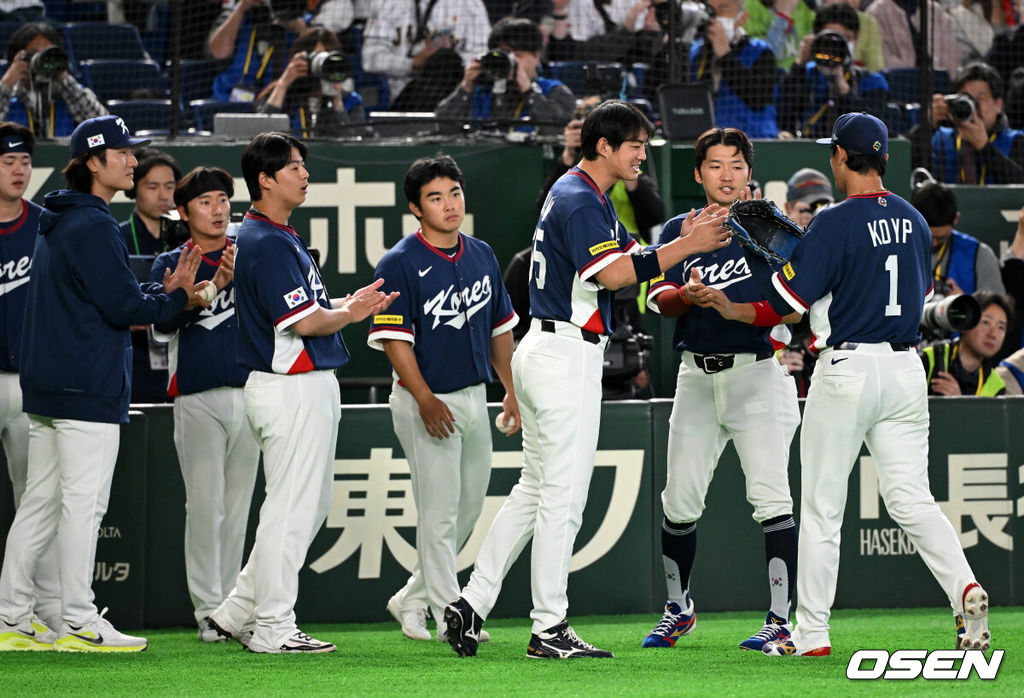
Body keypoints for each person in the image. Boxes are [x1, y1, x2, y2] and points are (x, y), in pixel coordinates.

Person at [443, 99, 732, 660]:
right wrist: (689, 245)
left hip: (550, 347)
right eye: (635, 145)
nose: (643, 154)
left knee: (535, 490)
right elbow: (619, 273)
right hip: (562, 353)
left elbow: (633, 253)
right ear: (604, 145)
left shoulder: (582, 192)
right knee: (563, 500)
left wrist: (678, 243)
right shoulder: (580, 198)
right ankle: (548, 627)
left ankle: (471, 603)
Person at [700, 112, 991, 656]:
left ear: (839, 156)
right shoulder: (916, 221)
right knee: (912, 498)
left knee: (822, 508)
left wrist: (730, 303)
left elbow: (781, 309)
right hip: (906, 370)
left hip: (848, 369)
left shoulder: (832, 222)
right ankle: (965, 588)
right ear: (881, 159)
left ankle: (811, 634)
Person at [0, 115, 209, 652]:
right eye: (121, 153)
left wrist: (163, 295)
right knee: (82, 505)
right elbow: (124, 308)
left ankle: (11, 615)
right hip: (83, 387)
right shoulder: (92, 224)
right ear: (93, 163)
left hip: (50, 387)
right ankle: (76, 617)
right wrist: (183, 299)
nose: (133, 161)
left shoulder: (64, 219)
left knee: (42, 503)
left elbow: (106, 297)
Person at [205, 132, 397, 654]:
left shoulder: (274, 235)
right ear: (265, 179)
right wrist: (351, 314)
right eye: (293, 167)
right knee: (291, 511)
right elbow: (306, 323)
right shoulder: (266, 241)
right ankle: (272, 626)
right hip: (290, 388)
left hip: (298, 385)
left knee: (300, 510)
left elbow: (306, 311)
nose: (304, 174)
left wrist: (346, 302)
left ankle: (237, 610)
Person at [640, 127, 799, 653]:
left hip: (756, 371)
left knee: (772, 499)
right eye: (715, 164)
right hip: (695, 375)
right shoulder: (678, 230)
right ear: (697, 173)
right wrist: (685, 295)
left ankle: (780, 620)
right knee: (678, 500)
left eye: (735, 164)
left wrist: (735, 304)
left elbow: (796, 303)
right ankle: (677, 609)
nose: (726, 173)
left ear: (749, 172)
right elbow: (658, 299)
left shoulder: (771, 228)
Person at [368, 155, 519, 643]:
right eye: (435, 197)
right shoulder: (398, 262)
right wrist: (425, 399)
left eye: (454, 192)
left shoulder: (480, 253)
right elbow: (395, 341)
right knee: (439, 511)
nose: (449, 204)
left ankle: (411, 597)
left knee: (469, 507)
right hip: (424, 399)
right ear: (416, 207)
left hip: (474, 394)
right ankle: (451, 611)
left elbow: (500, 329)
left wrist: (512, 391)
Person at [149, 167, 260, 643]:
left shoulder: (251, 255)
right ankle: (207, 608)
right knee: (206, 506)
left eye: (222, 200)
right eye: (205, 202)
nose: (217, 210)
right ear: (183, 211)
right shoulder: (171, 263)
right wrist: (195, 295)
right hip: (195, 395)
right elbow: (158, 330)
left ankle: (232, 607)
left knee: (238, 509)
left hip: (252, 394)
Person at [0, 121, 60, 639]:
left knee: (36, 498)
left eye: (25, 161)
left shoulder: (45, 224)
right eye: (7, 162)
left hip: (28, 380)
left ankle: (42, 611)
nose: (19, 170)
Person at [435, 17, 575, 134]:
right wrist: (465, 88)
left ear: (536, 56)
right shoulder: (480, 90)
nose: (511, 63)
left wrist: (529, 92)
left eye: (517, 56)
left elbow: (559, 130)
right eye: (505, 56)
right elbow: (441, 126)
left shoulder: (554, 91)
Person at [119, 148, 183, 404]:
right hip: (134, 359)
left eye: (169, 186)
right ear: (135, 189)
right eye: (152, 186)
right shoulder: (118, 237)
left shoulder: (189, 242)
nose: (163, 195)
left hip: (180, 358)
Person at [778, 4, 889, 139]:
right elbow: (782, 114)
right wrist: (800, 63)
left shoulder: (872, 80)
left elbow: (876, 128)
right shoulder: (806, 74)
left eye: (843, 38)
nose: (834, 48)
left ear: (856, 37)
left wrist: (844, 90)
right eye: (829, 41)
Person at [360, 0, 490, 111]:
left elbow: (482, 56)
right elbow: (370, 60)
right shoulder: (388, 2)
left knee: (445, 60)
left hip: (455, 96)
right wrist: (414, 64)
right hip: (401, 99)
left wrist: (438, 63)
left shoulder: (469, 4)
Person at [689, 0, 781, 138]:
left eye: (723, 9)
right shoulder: (695, 51)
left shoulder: (761, 51)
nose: (714, 16)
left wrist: (725, 54)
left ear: (742, 18)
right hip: (704, 141)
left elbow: (758, 100)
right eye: (710, 10)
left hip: (752, 140)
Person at [0, 22, 108, 138]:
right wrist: (8, 82)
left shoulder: (69, 93)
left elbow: (104, 127)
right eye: (34, 54)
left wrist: (63, 77)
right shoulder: (9, 96)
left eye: (47, 53)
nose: (42, 59)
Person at [255, 27, 365, 139]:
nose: (321, 64)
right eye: (315, 56)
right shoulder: (281, 95)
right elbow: (259, 137)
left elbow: (353, 145)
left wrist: (337, 100)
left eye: (326, 58)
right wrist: (284, 83)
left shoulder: (351, 101)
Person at [930, 62, 1024, 185]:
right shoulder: (940, 138)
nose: (973, 104)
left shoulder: (1016, 141)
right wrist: (928, 125)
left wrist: (984, 147)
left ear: (998, 105)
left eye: (980, 98)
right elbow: (905, 165)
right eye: (965, 97)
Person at [910, 181, 1005, 297]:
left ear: (956, 219)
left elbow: (998, 311)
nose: (933, 243)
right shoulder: (894, 248)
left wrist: (965, 304)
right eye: (926, 236)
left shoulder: (979, 255)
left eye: (940, 238)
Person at [207, 0, 300, 104]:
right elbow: (219, 54)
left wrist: (298, 27)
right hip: (228, 105)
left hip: (273, 104)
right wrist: (241, 8)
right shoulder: (234, 16)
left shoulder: (292, 21)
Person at [920, 291, 1011, 396]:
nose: (993, 334)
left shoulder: (997, 386)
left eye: (1001, 327)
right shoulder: (928, 359)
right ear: (967, 321)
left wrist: (959, 402)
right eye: (985, 322)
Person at [865, 0, 959, 75]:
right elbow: (882, 58)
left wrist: (941, 74)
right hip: (899, 85)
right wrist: (912, 72)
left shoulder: (937, 12)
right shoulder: (877, 12)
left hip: (938, 84)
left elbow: (951, 58)